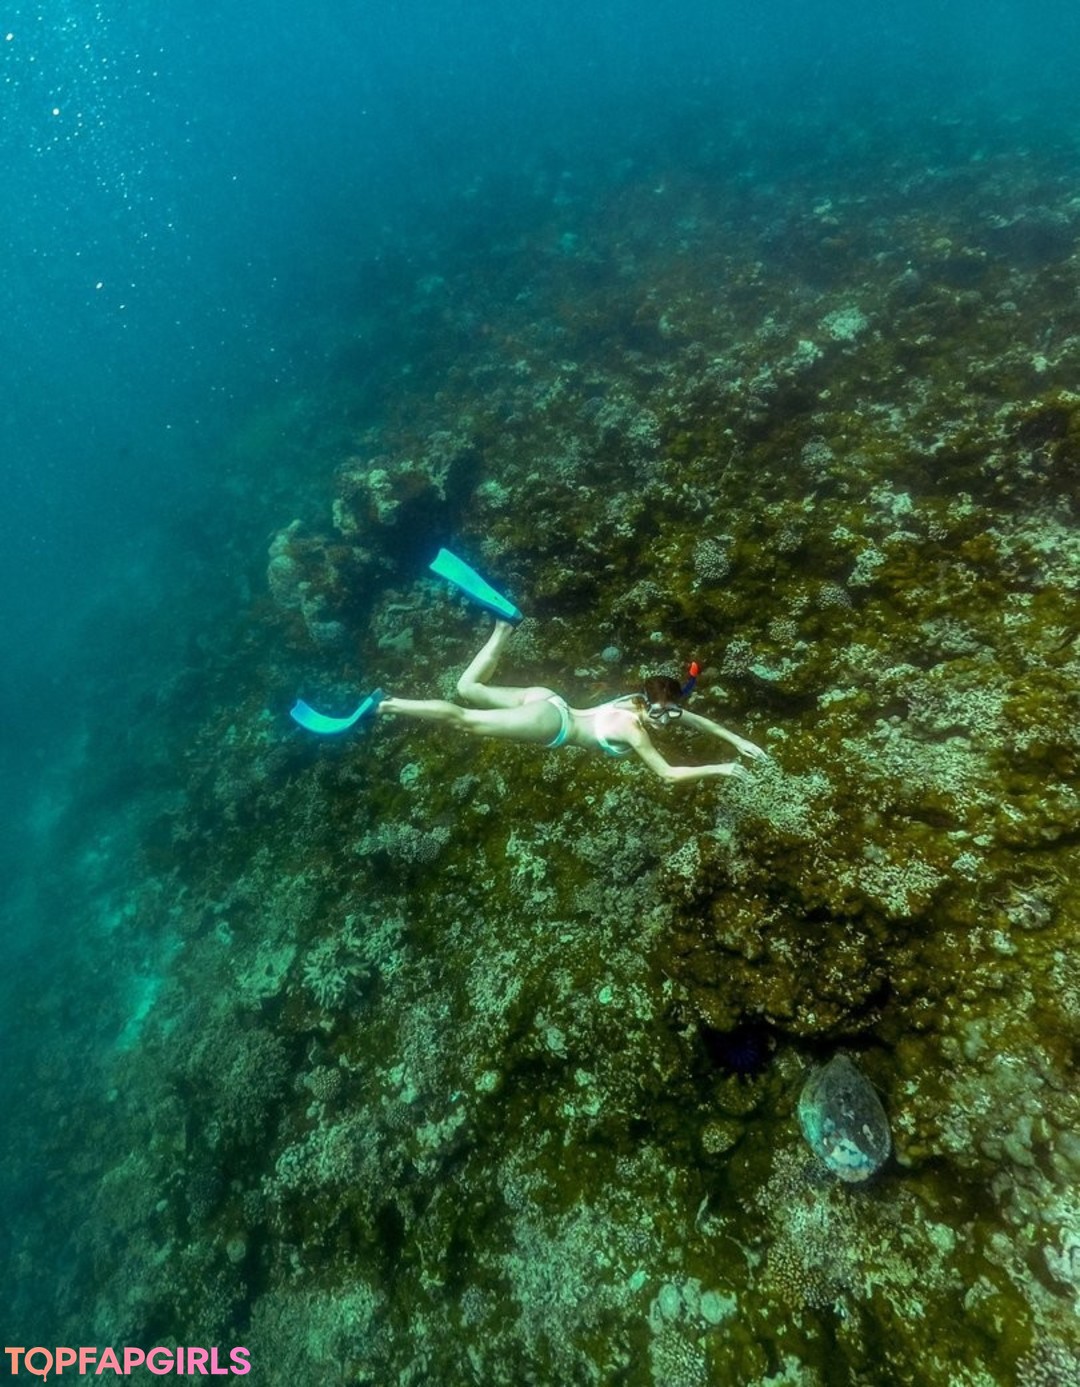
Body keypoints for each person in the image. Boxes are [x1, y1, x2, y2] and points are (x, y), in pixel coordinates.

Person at [375, 619, 767, 783]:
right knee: (466, 719)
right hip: (553, 723)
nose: (666, 721)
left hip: (551, 700)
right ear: (646, 706)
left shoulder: (644, 702)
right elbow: (666, 774)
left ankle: (503, 627)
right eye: (660, 714)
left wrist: (738, 740)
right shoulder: (635, 728)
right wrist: (723, 767)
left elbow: (700, 721)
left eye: (672, 713)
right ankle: (387, 704)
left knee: (468, 687)